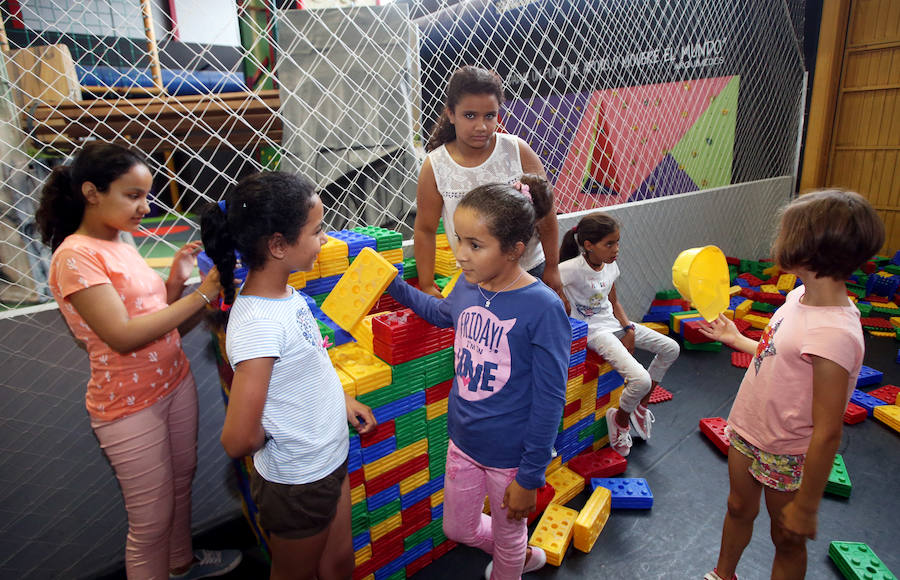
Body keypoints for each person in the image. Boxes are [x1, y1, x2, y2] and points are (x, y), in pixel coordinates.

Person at [35, 142, 242, 579]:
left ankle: (181, 564)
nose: (145, 207)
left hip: (173, 382)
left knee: (180, 483)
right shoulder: (75, 256)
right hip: (129, 406)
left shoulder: (118, 241)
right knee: (151, 520)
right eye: (133, 196)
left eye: (146, 195)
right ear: (92, 193)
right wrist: (202, 294)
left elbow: (156, 322)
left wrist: (176, 285)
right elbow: (123, 335)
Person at [387, 176, 571, 580]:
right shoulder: (469, 286)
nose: (459, 255)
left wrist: (530, 476)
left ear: (514, 250)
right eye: (458, 240)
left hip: (511, 456)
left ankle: (512, 558)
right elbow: (442, 313)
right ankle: (519, 554)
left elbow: (550, 399)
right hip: (464, 441)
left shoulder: (542, 308)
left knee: (508, 535)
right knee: (458, 529)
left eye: (474, 245)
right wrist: (395, 286)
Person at [699, 190, 885, 580]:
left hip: (787, 450)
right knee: (737, 508)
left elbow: (828, 431)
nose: (778, 239)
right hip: (749, 428)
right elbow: (779, 354)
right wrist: (738, 339)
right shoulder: (799, 295)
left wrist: (808, 507)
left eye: (786, 231)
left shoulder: (834, 333)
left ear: (811, 247)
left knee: (786, 538)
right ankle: (723, 575)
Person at [199, 171, 376, 580]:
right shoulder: (259, 324)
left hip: (327, 458)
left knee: (338, 562)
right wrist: (288, 433)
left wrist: (339, 401)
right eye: (316, 231)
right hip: (299, 481)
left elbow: (306, 368)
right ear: (278, 245)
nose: (324, 240)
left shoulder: (286, 296)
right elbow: (238, 438)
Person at [414, 65, 564, 302]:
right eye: (470, 116)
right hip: (477, 280)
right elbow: (425, 229)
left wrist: (553, 267)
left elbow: (547, 213)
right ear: (451, 114)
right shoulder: (435, 166)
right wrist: (425, 285)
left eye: (490, 116)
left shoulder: (517, 150)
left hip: (530, 272)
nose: (481, 126)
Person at [559, 213, 680, 457]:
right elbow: (547, 285)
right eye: (609, 244)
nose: (616, 249)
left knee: (671, 348)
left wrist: (629, 329)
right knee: (640, 380)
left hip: (613, 323)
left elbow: (613, 301)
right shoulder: (570, 269)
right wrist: (564, 302)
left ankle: (641, 406)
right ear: (589, 245)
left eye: (617, 242)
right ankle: (620, 420)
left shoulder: (610, 265)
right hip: (594, 332)